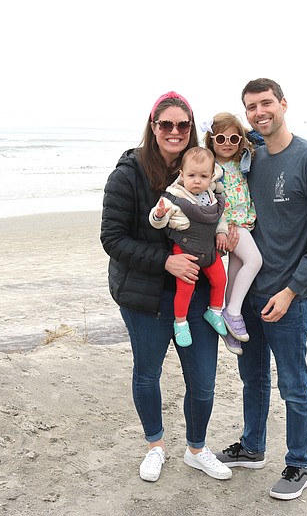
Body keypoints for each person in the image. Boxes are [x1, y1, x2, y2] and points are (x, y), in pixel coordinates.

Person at [215, 78, 307, 501]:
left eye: (266, 103)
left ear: (284, 103)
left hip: (288, 297)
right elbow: (219, 141)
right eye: (251, 107)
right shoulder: (249, 154)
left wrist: (290, 292)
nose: (258, 112)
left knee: (293, 384)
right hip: (248, 295)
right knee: (252, 377)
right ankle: (252, 447)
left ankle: (299, 464)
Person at [100, 91, 233, 484]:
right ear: (153, 127)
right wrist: (165, 260)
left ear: (192, 129)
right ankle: (155, 446)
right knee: (147, 374)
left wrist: (230, 229)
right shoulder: (127, 173)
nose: (175, 132)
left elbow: (242, 151)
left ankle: (196, 449)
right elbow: (112, 238)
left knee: (203, 381)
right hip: (146, 296)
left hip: (195, 294)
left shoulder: (205, 172)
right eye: (166, 124)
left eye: (183, 125)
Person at [149, 146, 229, 348]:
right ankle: (181, 323)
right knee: (186, 287)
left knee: (220, 279)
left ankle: (215, 311)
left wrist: (222, 231)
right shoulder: (173, 197)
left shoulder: (212, 195)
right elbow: (158, 223)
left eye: (203, 176)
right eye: (192, 175)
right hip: (185, 251)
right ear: (182, 174)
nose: (197, 180)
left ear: (211, 177)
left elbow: (220, 216)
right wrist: (158, 214)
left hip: (209, 249)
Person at [203, 112, 263, 356]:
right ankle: (233, 311)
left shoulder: (242, 160)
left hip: (244, 222)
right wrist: (223, 226)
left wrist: (244, 131)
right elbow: (208, 198)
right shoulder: (211, 167)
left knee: (236, 269)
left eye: (234, 138)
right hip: (231, 225)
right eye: (220, 138)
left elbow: (258, 138)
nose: (227, 143)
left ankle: (228, 327)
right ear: (211, 140)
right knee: (255, 260)